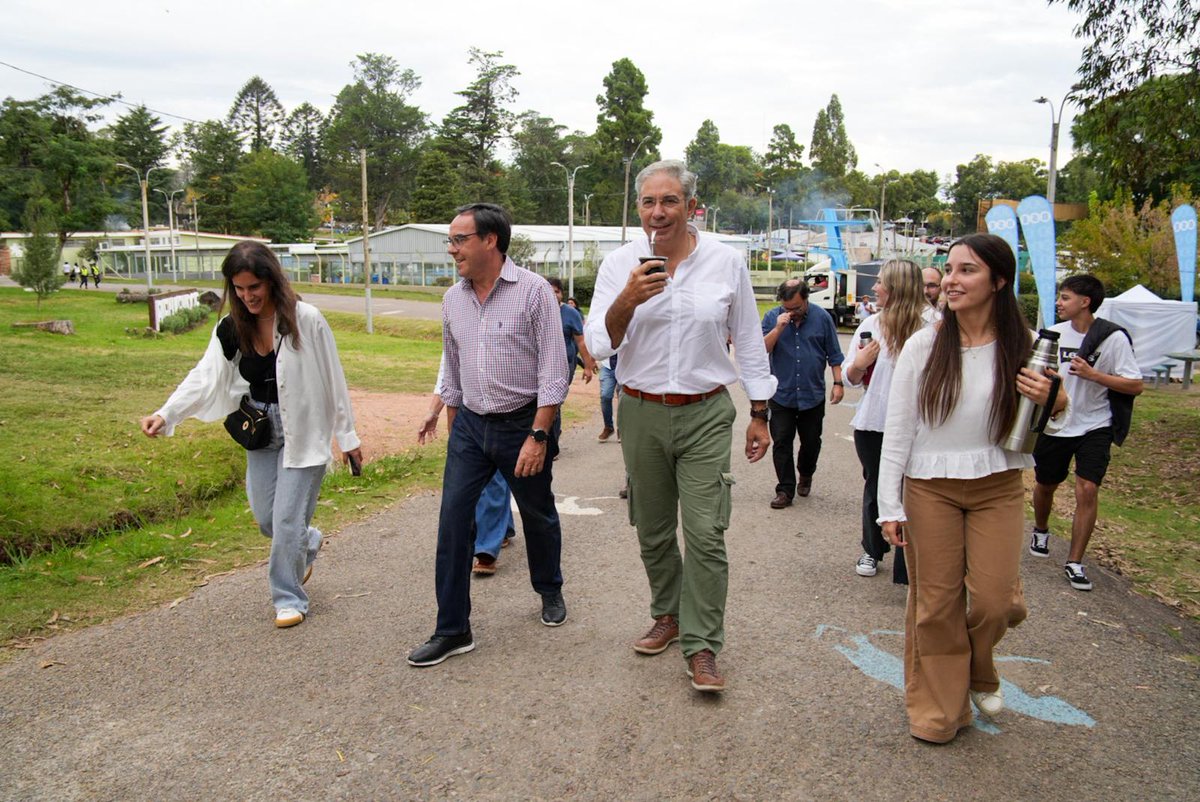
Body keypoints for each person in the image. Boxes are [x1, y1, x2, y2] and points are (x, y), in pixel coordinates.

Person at [585, 159, 776, 694]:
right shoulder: (619, 264)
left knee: (707, 532)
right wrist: (629, 296)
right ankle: (667, 614)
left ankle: (703, 644)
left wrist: (760, 413)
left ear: (692, 207)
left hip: (706, 412)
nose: (658, 211)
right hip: (642, 410)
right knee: (651, 529)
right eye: (648, 201)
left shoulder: (726, 262)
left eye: (669, 201)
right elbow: (600, 345)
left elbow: (749, 343)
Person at [878, 232, 1068, 743]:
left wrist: (1054, 399)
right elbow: (897, 430)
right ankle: (940, 709)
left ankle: (980, 665)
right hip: (930, 486)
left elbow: (1043, 424)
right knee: (936, 605)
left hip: (998, 483)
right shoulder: (923, 343)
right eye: (949, 270)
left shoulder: (1025, 346)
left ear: (998, 281)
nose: (951, 281)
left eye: (968, 271)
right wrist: (887, 505)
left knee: (994, 602)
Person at [140, 241, 363, 629]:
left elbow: (334, 379)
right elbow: (205, 375)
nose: (247, 297)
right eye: (239, 289)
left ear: (271, 281)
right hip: (260, 430)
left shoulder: (305, 319)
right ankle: (308, 542)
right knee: (267, 519)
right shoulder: (231, 326)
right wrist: (166, 412)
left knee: (287, 522)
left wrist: (348, 437)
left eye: (254, 288)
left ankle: (288, 598)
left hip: (305, 431)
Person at [407, 203, 569, 668]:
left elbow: (553, 372)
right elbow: (453, 366)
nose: (452, 249)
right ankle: (452, 630)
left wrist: (538, 434)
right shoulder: (451, 299)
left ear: (490, 241)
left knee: (537, 514)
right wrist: (451, 419)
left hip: (524, 424)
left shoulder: (535, 292)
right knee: (453, 523)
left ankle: (549, 589)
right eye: (451, 241)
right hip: (471, 426)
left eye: (459, 240)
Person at [1031, 275, 1142, 591]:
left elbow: (1135, 384)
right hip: (1057, 423)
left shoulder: (1112, 338)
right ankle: (1040, 528)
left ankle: (1075, 562)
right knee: (1045, 484)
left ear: (1085, 302)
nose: (1058, 303)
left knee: (1087, 489)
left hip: (1096, 423)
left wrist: (1095, 375)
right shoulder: (1053, 335)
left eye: (1065, 297)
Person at [845, 260, 929, 584]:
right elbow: (852, 378)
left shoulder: (932, 326)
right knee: (876, 485)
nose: (875, 288)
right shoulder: (871, 325)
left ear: (897, 288)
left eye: (881, 283)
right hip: (875, 422)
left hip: (919, 425)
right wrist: (859, 364)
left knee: (915, 490)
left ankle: (908, 562)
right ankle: (872, 547)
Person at [418, 355, 516, 575]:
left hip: (503, 410)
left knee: (495, 478)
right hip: (467, 412)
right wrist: (433, 411)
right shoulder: (457, 321)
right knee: (489, 478)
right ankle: (502, 527)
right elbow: (448, 371)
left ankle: (486, 549)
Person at [761, 279, 844, 508]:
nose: (792, 313)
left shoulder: (822, 318)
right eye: (787, 308)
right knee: (782, 443)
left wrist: (838, 383)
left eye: (796, 308)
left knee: (811, 443)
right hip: (781, 393)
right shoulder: (772, 318)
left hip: (812, 394)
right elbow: (762, 350)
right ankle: (785, 490)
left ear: (806, 299)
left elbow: (834, 355)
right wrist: (779, 327)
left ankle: (806, 474)